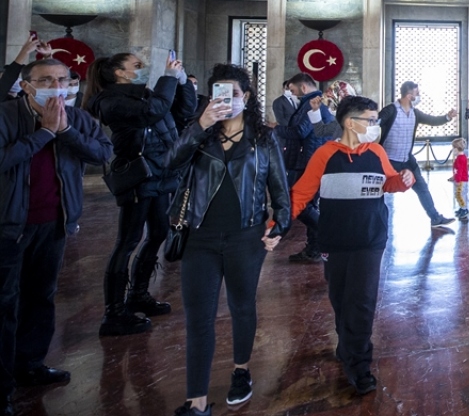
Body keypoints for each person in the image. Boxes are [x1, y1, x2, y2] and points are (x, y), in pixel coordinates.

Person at [167, 64, 291, 416]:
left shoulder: (263, 139)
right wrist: (201, 124)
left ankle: (241, 370)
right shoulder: (199, 133)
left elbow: (280, 191)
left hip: (246, 237)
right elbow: (169, 162)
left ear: (246, 97)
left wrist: (280, 225)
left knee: (241, 306)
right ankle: (197, 401)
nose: (228, 100)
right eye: (219, 94)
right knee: (199, 317)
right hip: (199, 238)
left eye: (234, 94)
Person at [0, 59, 111, 416]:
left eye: (63, 79)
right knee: (5, 303)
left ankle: (30, 364)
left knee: (41, 296)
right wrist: (44, 133)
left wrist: (65, 132)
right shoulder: (6, 115)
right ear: (28, 85)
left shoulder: (75, 118)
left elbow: (103, 153)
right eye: (46, 79)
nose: (56, 86)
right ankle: (2, 385)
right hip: (10, 224)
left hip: (56, 222)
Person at [290, 96, 414, 396]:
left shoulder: (376, 152)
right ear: (349, 122)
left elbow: (389, 182)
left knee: (362, 301)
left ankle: (359, 366)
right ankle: (347, 344)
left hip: (370, 239)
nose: (375, 127)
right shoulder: (325, 154)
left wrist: (404, 180)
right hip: (335, 240)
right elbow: (302, 193)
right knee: (341, 297)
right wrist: (273, 227)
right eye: (370, 121)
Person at [83, 51, 196, 336]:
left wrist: (182, 82)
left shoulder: (145, 94)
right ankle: (114, 312)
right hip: (139, 175)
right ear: (119, 73)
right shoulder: (110, 100)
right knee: (129, 240)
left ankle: (139, 295)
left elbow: (182, 112)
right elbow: (153, 112)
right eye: (136, 65)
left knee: (158, 233)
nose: (143, 69)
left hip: (161, 172)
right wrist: (167, 79)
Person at [273, 73, 339, 263]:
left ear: (303, 88)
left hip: (307, 162)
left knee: (298, 204)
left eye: (292, 90)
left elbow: (300, 131)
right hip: (308, 159)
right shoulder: (310, 102)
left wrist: (274, 128)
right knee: (308, 205)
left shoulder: (312, 103)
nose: (291, 93)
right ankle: (314, 248)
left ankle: (326, 236)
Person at [376, 82, 456, 228]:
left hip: (407, 160)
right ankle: (374, 221)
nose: (418, 96)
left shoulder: (415, 113)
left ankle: (435, 218)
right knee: (378, 189)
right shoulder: (391, 110)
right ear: (409, 95)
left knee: (422, 187)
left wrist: (447, 117)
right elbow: (376, 124)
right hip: (388, 160)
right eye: (417, 93)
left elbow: (432, 120)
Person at [0, 34, 51, 101]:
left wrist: (47, 56)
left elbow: (47, 76)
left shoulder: (25, 97)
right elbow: (9, 76)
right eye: (3, 78)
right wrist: (25, 51)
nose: (16, 81)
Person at [447, 137, 468, 221]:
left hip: (461, 180)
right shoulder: (460, 158)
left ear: (456, 149)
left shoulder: (461, 159)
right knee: (459, 194)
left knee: (460, 194)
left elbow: (460, 171)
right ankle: (461, 208)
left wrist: (458, 180)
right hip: (459, 179)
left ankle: (464, 209)